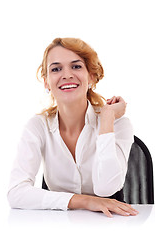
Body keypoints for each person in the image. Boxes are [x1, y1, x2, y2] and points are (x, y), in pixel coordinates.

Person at [7, 37, 138, 218]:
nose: (67, 74)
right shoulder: (38, 126)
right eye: (56, 69)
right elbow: (16, 193)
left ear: (91, 76)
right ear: (46, 82)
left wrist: (107, 118)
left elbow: (106, 187)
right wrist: (84, 201)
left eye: (76, 66)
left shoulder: (119, 124)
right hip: (60, 227)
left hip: (112, 225)